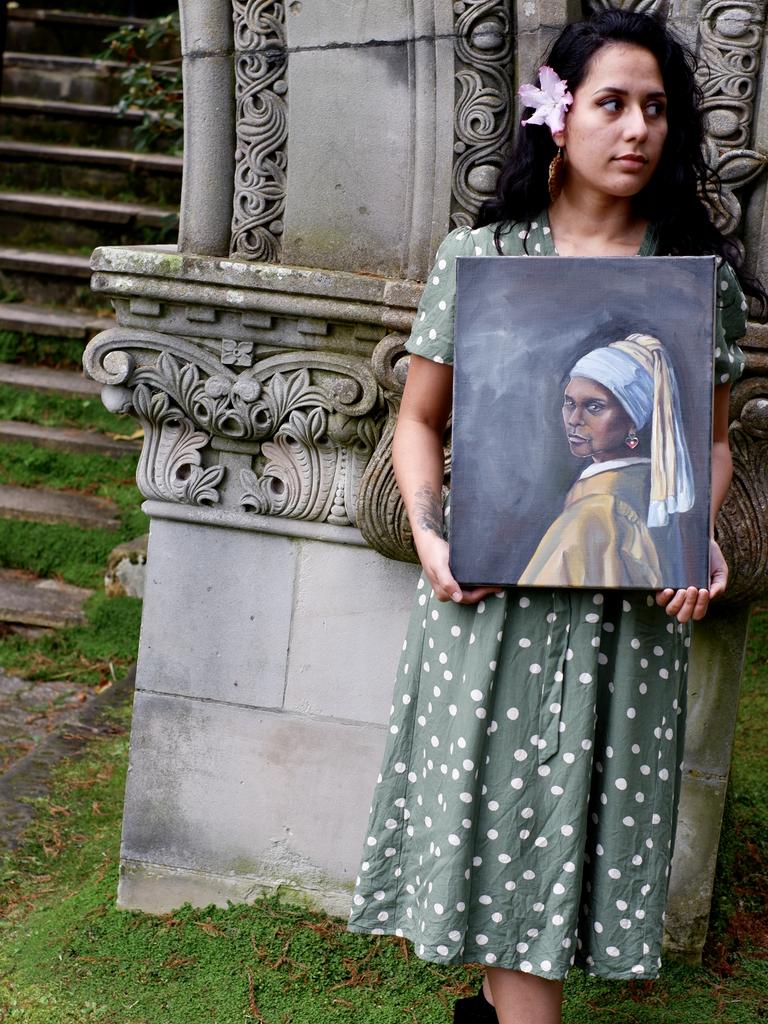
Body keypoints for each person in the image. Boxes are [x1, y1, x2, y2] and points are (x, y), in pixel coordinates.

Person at [346, 8, 766, 1024]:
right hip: (487, 604)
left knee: (560, 853)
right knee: (494, 835)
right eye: (613, 103)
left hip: (624, 622)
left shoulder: (693, 280)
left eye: (657, 109)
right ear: (557, 114)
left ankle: (494, 1012)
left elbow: (706, 446)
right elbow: (418, 420)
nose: (638, 129)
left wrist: (692, 534)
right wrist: (436, 536)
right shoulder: (481, 256)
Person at [518, 332, 693, 589]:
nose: (574, 419)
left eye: (594, 406)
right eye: (569, 402)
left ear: (632, 419)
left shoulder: (600, 507)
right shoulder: (646, 484)